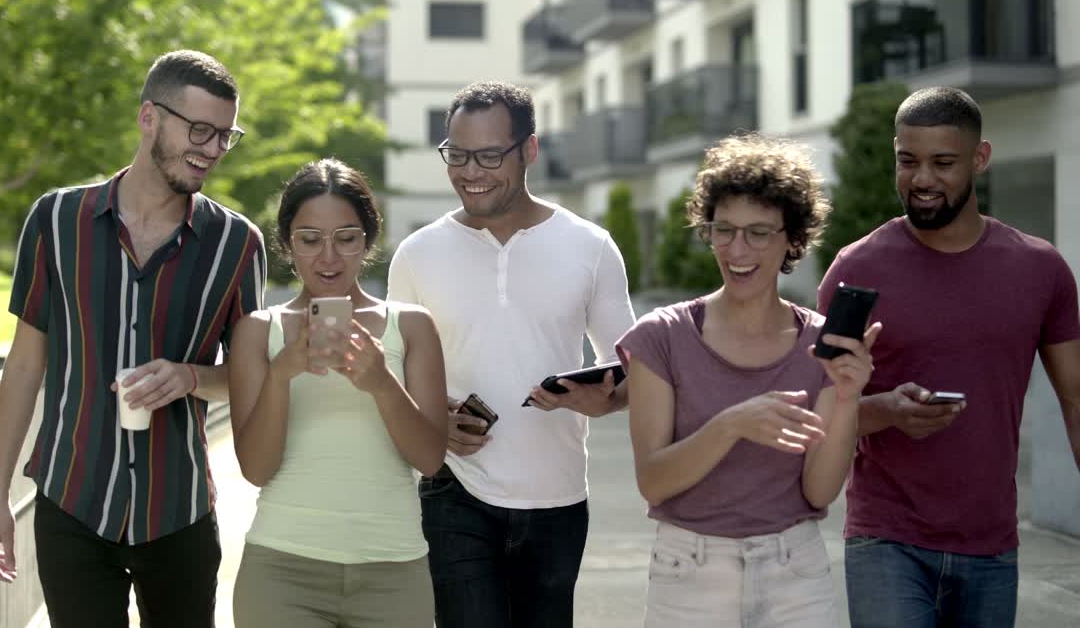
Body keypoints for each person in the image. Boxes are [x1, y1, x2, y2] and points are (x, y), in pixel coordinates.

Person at [0, 49, 266, 626]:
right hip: (71, 504)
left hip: (178, 515)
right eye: (200, 131)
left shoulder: (239, 244)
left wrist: (189, 377)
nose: (212, 150)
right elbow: (26, 364)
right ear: (149, 118)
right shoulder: (55, 220)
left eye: (224, 136)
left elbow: (249, 379)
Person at [819, 86, 1080, 627]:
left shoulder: (1040, 271)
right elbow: (817, 412)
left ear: (979, 159)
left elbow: (1076, 400)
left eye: (943, 163)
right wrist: (886, 409)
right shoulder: (856, 268)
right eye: (908, 161)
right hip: (886, 539)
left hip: (990, 545)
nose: (922, 180)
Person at [387, 80, 636, 628]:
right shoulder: (416, 254)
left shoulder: (589, 246)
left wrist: (606, 402)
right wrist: (434, 420)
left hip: (558, 496)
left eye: (488, 156)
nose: (469, 172)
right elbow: (393, 374)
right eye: (456, 155)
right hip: (454, 490)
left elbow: (636, 371)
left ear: (529, 150)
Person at [618, 134, 878, 627]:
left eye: (759, 233)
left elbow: (820, 493)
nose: (738, 249)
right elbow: (653, 481)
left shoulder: (822, 343)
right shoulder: (662, 336)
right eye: (724, 230)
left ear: (791, 239)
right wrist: (732, 424)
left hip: (795, 574)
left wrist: (847, 398)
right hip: (688, 574)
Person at [227, 158, 448, 627]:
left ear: (368, 240)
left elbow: (430, 459)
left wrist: (381, 383)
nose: (328, 258)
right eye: (310, 240)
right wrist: (282, 374)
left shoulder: (410, 326)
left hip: (394, 568)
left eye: (346, 238)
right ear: (288, 243)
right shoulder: (257, 332)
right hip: (282, 569)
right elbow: (256, 469)